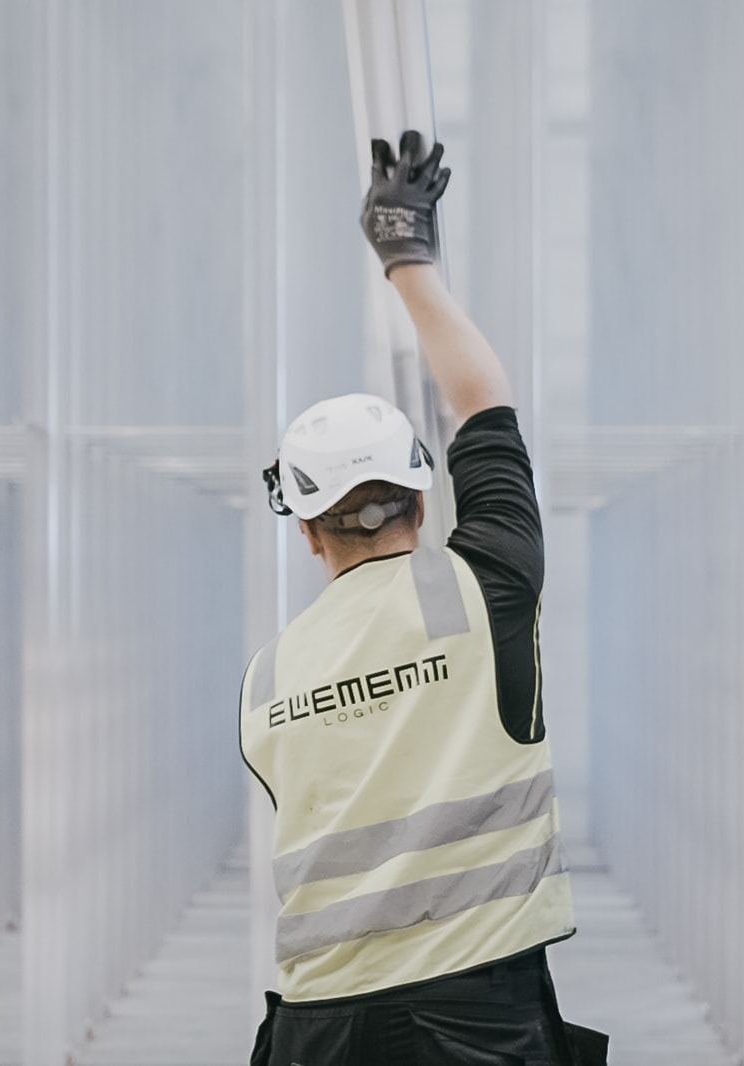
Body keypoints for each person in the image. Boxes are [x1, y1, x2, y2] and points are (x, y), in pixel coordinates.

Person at [241, 131, 605, 1066]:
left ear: (305, 529)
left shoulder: (265, 682)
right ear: (424, 493)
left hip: (317, 1030)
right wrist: (406, 254)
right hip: (476, 1021)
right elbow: (482, 403)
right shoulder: (488, 584)